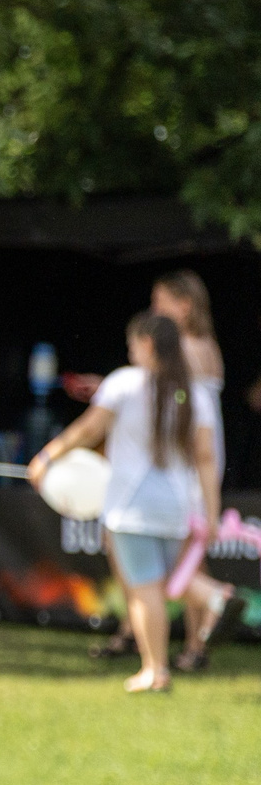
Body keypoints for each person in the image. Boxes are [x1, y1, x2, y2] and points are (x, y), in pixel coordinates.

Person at [31, 312, 222, 693]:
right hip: (177, 507)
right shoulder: (193, 392)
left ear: (148, 344)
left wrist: (48, 456)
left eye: (133, 343)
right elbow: (205, 457)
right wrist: (211, 512)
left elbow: (89, 429)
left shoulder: (124, 384)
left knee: (144, 589)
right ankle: (215, 596)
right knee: (170, 579)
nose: (130, 349)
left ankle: (155, 669)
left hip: (131, 507)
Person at [151, 272, 237, 669]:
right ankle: (195, 644)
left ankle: (202, 633)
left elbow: (175, 395)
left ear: (183, 307)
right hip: (200, 460)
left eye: (161, 302)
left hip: (195, 463)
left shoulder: (189, 348)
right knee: (191, 554)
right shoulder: (206, 346)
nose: (155, 312)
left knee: (187, 555)